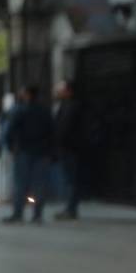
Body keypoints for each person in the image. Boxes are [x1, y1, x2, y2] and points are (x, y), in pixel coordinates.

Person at [4, 84, 55, 224]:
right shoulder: (45, 111)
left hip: (23, 151)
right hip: (42, 152)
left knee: (20, 183)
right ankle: (37, 214)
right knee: (39, 184)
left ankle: (18, 213)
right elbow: (52, 132)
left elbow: (10, 130)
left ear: (27, 94)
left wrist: (10, 147)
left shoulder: (20, 111)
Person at [53, 80, 85, 220]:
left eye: (61, 89)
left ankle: (71, 208)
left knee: (72, 180)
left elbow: (64, 128)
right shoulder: (65, 106)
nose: (58, 92)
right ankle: (70, 207)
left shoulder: (71, 106)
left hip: (70, 148)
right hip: (67, 148)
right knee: (70, 179)